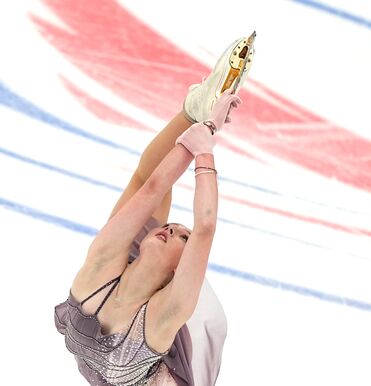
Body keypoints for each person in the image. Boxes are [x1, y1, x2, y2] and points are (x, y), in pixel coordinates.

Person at [54, 32, 256, 386]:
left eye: (181, 236)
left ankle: (194, 113)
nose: (173, 229)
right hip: (139, 324)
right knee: (141, 196)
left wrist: (204, 142)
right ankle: (192, 108)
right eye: (179, 229)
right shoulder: (107, 269)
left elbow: (187, 215)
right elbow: (156, 190)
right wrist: (201, 132)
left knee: (136, 209)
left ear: (181, 268)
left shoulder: (157, 311)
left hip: (144, 354)